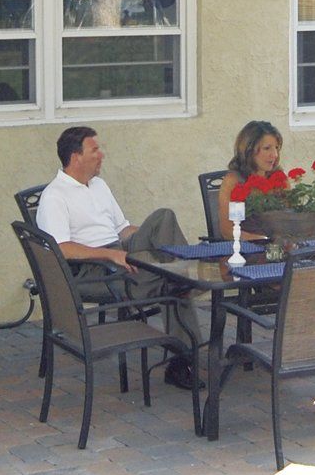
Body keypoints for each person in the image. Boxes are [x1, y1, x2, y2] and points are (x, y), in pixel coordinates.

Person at [36, 126, 202, 389]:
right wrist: (110, 254)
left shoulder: (99, 185)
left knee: (163, 217)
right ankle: (184, 358)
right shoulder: (55, 196)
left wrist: (152, 237)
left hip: (118, 252)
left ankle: (183, 277)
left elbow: (123, 229)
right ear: (75, 157)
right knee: (173, 285)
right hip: (92, 268)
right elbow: (61, 248)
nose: (101, 155)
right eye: (95, 150)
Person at [216, 120, 284, 242]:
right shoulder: (233, 181)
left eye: (276, 148)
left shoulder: (278, 178)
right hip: (244, 251)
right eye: (267, 148)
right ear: (249, 150)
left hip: (276, 248)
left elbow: (289, 220)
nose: (274, 155)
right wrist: (264, 240)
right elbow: (227, 231)